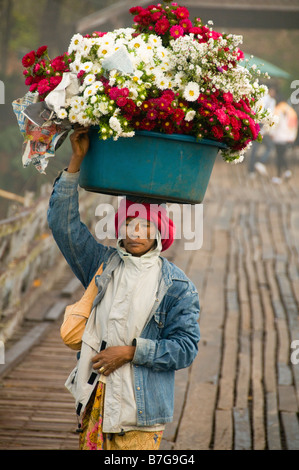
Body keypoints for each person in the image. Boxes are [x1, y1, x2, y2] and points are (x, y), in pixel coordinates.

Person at [47, 126, 200, 451]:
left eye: (145, 225)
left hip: (140, 412)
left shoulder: (177, 286)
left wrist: (130, 353)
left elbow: (185, 348)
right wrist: (76, 159)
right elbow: (64, 225)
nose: (135, 231)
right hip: (95, 398)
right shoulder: (102, 265)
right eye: (130, 223)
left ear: (160, 232)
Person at [248, 87, 276, 177]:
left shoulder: (267, 99)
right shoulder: (268, 100)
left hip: (260, 124)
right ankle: (257, 165)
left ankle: (253, 168)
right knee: (264, 147)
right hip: (261, 124)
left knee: (256, 149)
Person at [270, 100, 298, 184]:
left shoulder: (277, 110)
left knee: (279, 157)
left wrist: (271, 133)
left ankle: (279, 175)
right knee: (282, 156)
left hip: (279, 138)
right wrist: (292, 137)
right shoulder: (291, 112)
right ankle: (286, 171)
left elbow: (274, 125)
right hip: (287, 138)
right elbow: (294, 127)